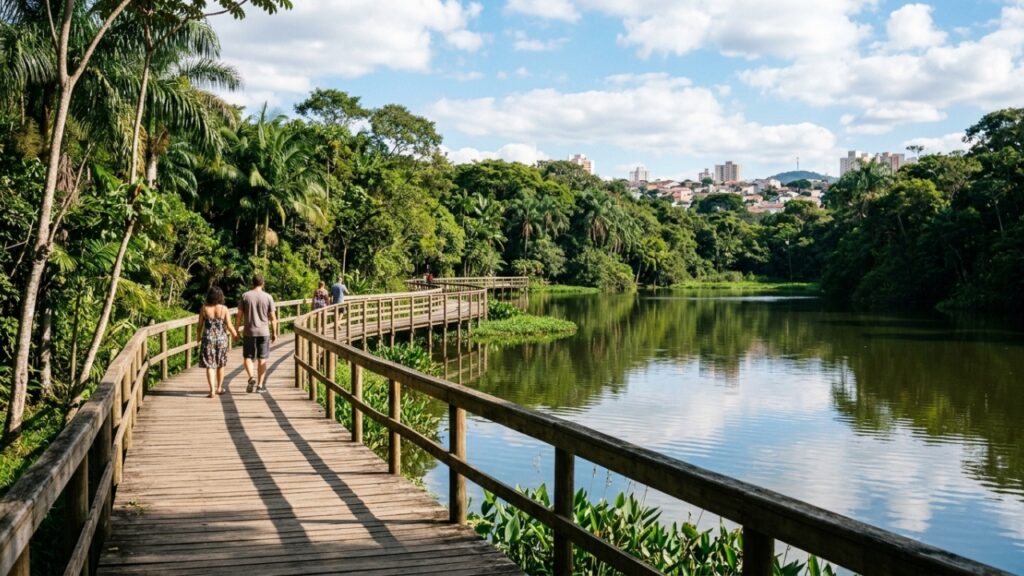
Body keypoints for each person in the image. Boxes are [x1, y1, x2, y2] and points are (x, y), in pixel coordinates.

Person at [236, 274, 278, 393]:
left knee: (248, 357)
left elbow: (239, 315)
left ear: (252, 283)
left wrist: (236, 330)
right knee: (262, 359)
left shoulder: (245, 296)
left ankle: (251, 377)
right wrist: (274, 332)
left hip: (249, 332)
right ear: (263, 283)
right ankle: (260, 386)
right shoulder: (268, 297)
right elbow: (273, 317)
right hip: (264, 332)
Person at [197, 287, 238, 397]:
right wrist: (235, 334)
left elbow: (199, 325)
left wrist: (198, 337)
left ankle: (212, 390)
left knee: (209, 365)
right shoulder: (224, 309)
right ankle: (219, 388)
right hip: (221, 339)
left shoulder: (204, 308)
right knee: (221, 364)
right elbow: (229, 325)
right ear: (220, 296)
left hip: (208, 339)